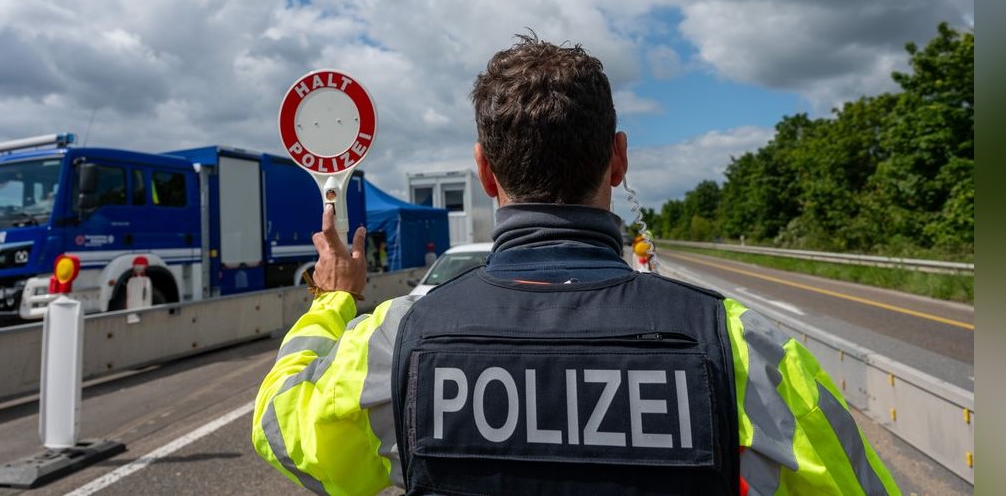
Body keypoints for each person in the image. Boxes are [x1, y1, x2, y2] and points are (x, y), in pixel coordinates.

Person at [252, 35, 899, 495]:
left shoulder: (403, 342)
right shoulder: (742, 348)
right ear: (618, 160)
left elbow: (284, 429)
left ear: (484, 169)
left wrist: (331, 299)